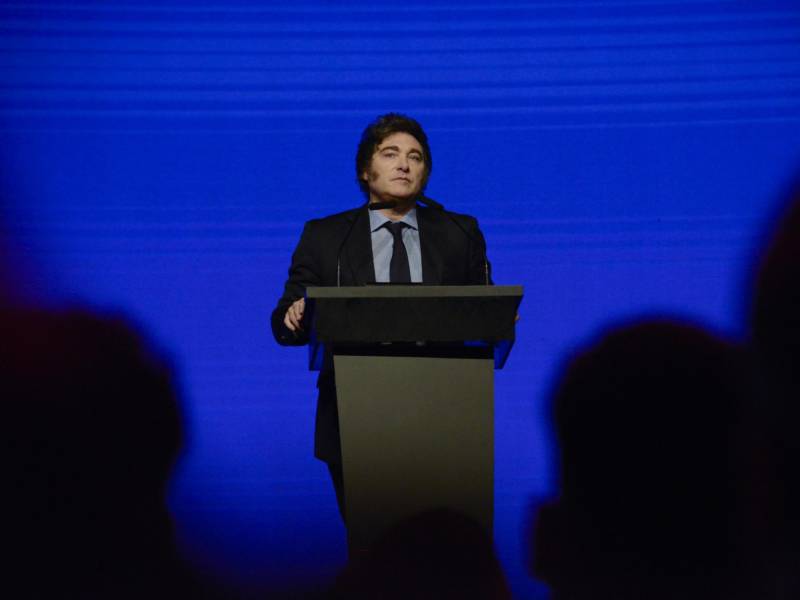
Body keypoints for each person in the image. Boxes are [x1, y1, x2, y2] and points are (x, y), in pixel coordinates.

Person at [271, 113, 491, 517]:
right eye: (390, 154)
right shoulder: (326, 236)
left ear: (424, 174)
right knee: (372, 553)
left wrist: (496, 318)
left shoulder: (459, 232)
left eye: (415, 157)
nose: (404, 164)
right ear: (365, 170)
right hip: (355, 414)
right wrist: (295, 313)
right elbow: (285, 320)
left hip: (443, 410)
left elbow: (482, 309)